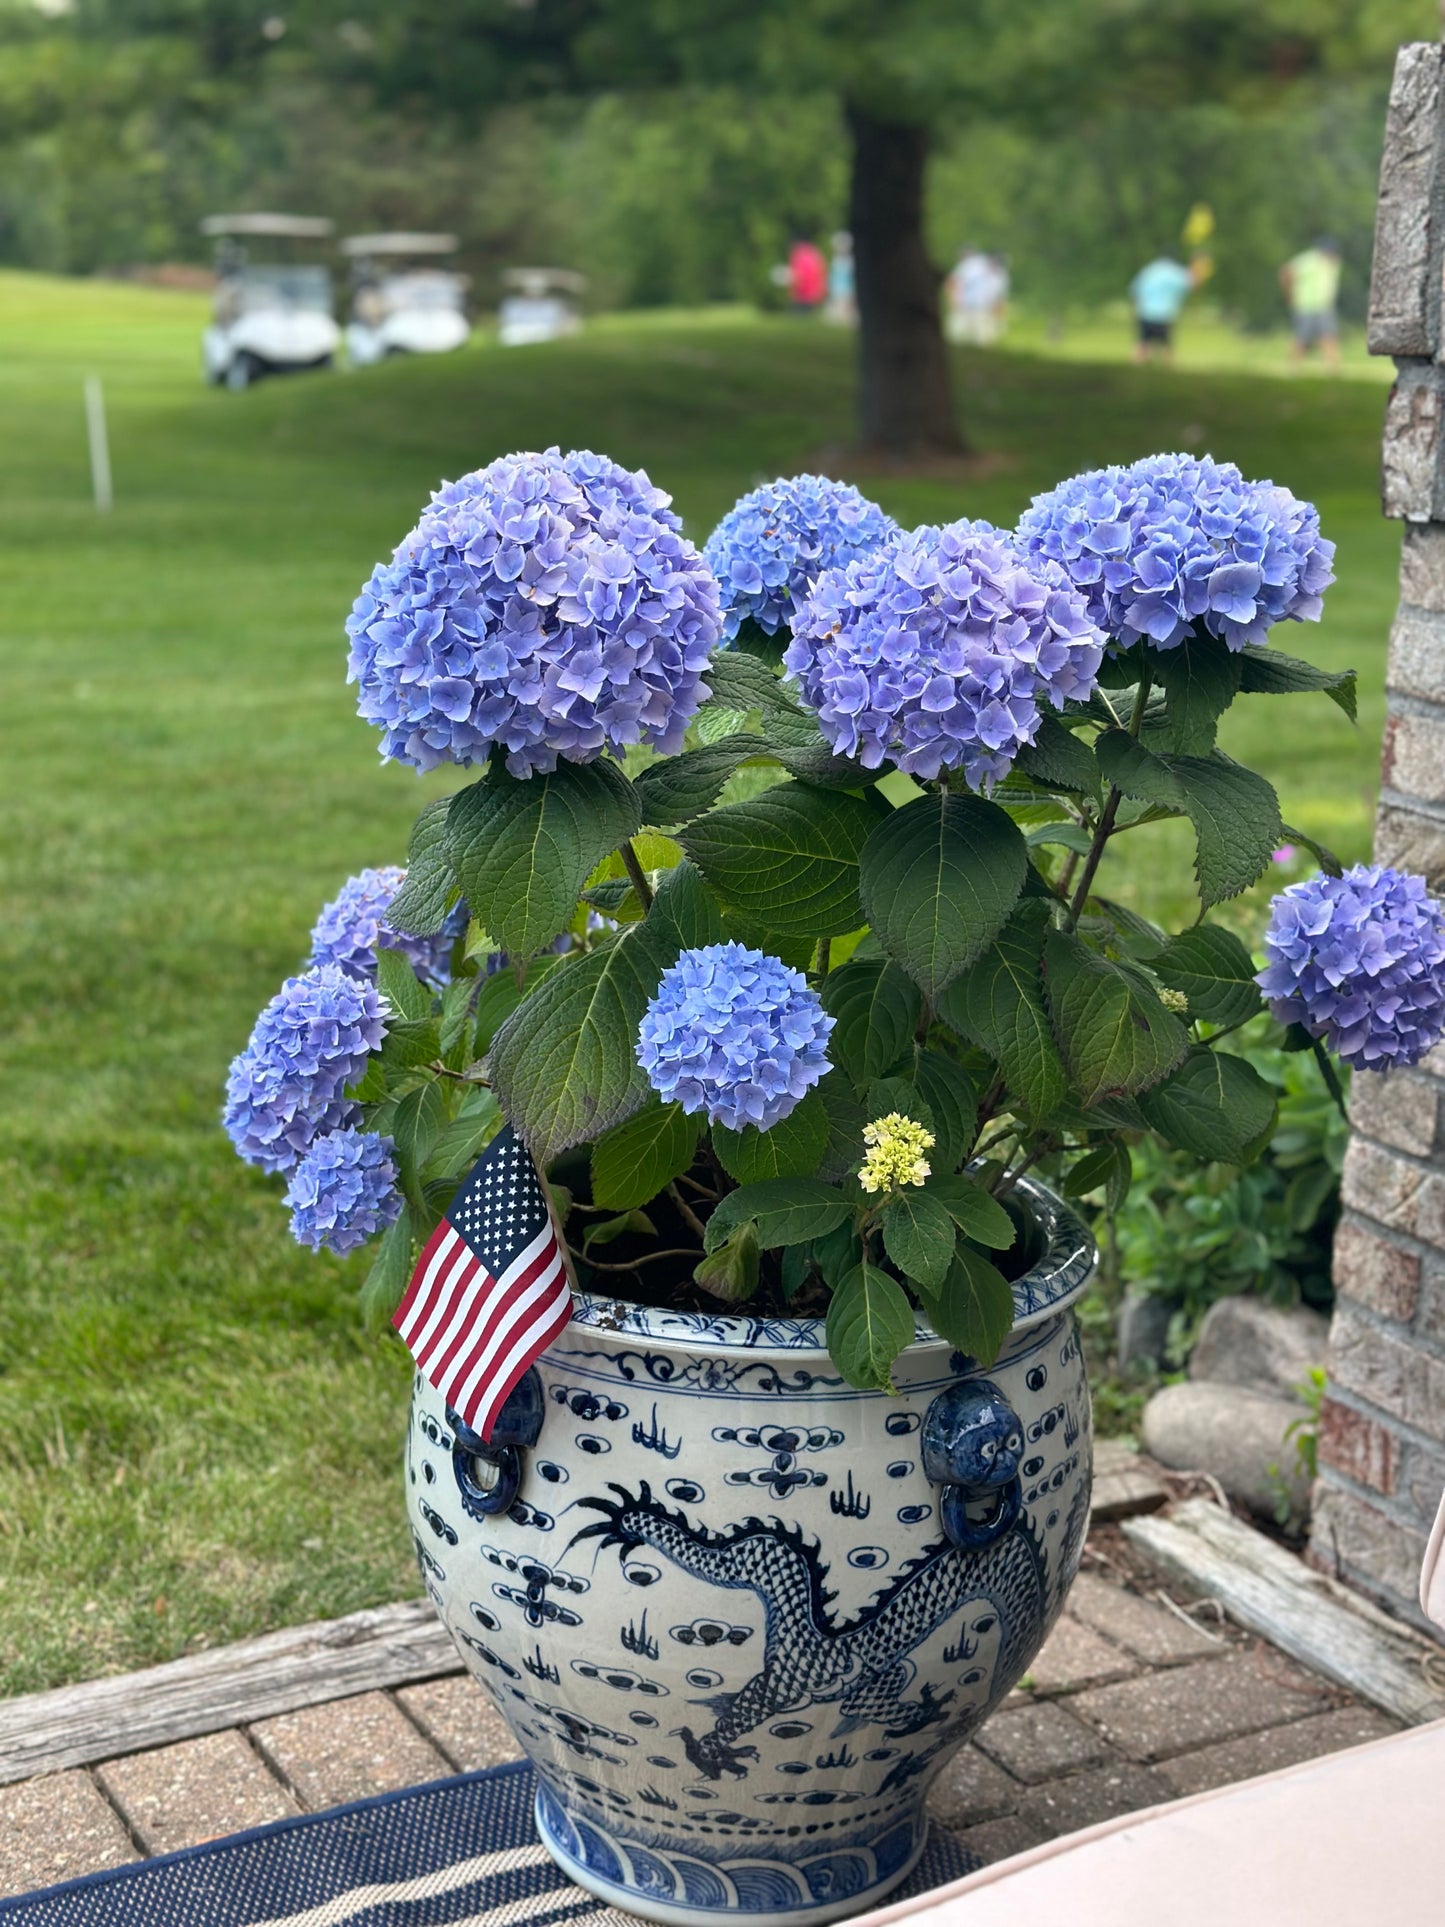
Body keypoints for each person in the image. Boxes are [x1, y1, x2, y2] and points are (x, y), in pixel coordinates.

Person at [1280, 239, 1341, 370]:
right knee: (1301, 337)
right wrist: (1289, 295)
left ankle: (1332, 368)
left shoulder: (1333, 264)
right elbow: (1286, 272)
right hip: (1305, 305)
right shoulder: (1309, 260)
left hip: (1324, 306)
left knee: (1329, 336)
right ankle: (1293, 367)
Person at [1128, 253, 1197, 363]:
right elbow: (1191, 284)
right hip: (1164, 314)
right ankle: (1167, 373)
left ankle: (1137, 368)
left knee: (1143, 343)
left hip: (1145, 312)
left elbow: (1134, 288)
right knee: (1166, 345)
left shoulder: (1149, 269)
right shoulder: (1175, 271)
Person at [946, 249, 1008, 346]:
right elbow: (953, 281)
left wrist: (999, 317)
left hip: (983, 310)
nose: (995, 266)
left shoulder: (1001, 276)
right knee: (955, 337)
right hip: (962, 307)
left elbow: (998, 298)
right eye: (994, 263)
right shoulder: (972, 266)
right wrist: (953, 300)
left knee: (983, 341)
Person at [788, 236, 827, 314]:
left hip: (805, 288)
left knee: (803, 308)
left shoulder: (800, 254)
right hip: (811, 288)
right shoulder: (814, 252)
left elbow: (799, 272)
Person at [825, 232, 856, 326]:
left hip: (847, 289)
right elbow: (832, 276)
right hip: (837, 289)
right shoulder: (836, 260)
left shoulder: (849, 261)